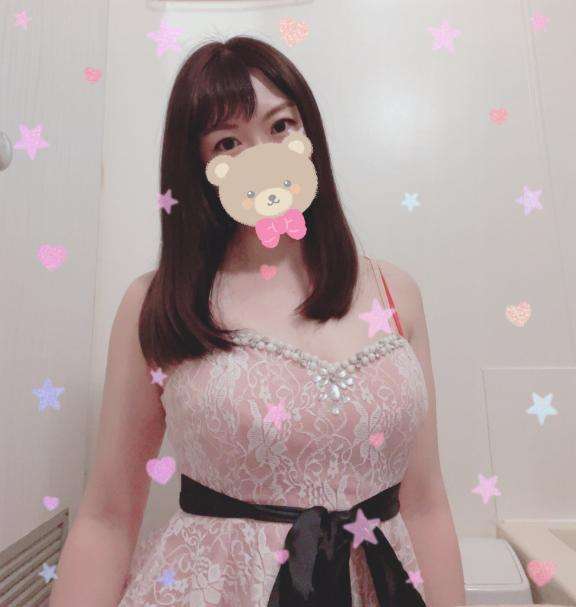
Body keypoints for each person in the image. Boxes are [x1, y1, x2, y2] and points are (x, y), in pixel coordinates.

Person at [49, 36, 465, 607]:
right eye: (228, 142)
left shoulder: (396, 293)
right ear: (202, 167)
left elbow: (426, 504)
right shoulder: (157, 304)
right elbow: (108, 517)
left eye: (280, 126)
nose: (264, 157)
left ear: (309, 134)